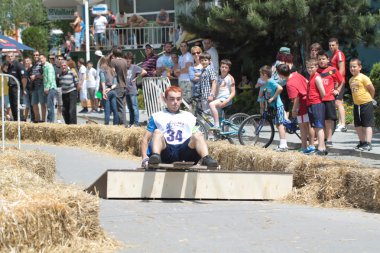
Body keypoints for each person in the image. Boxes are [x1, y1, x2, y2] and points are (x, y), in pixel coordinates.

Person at [140, 86, 218, 168]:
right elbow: (145, 139)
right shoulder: (157, 116)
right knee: (157, 132)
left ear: (181, 100)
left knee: (198, 134)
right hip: (166, 152)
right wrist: (144, 158)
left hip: (185, 152)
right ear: (165, 99)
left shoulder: (189, 116)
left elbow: (197, 138)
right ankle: (155, 158)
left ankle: (206, 158)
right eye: (172, 99)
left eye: (178, 99)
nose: (175, 102)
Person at [276, 64, 314, 154]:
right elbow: (307, 81)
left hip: (302, 104)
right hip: (310, 100)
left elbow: (296, 98)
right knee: (309, 125)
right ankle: (310, 146)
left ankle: (305, 147)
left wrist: (294, 110)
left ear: (280, 75)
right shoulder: (296, 74)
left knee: (303, 126)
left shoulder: (289, 84)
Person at [317, 50, 344, 147]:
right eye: (319, 59)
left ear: (328, 60)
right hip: (318, 100)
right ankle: (322, 139)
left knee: (328, 120)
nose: (321, 61)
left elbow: (341, 81)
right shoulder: (316, 71)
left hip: (329, 99)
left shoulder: (332, 70)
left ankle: (329, 139)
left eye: (323, 59)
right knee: (320, 120)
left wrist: (337, 90)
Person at [349, 58, 376, 151]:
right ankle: (362, 142)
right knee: (357, 125)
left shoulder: (363, 77)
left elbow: (372, 89)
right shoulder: (351, 79)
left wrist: (370, 99)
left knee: (367, 124)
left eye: (354, 66)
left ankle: (368, 143)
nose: (352, 68)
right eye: (351, 67)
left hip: (366, 103)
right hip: (357, 105)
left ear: (360, 67)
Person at [260, 65, 288, 152]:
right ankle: (283, 143)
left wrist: (273, 98)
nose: (260, 76)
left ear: (264, 74)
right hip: (274, 107)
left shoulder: (271, 81)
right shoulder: (267, 83)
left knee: (280, 125)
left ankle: (283, 145)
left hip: (278, 106)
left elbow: (280, 88)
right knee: (278, 125)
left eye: (261, 74)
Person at [305, 59, 327, 155]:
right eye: (308, 68)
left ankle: (321, 148)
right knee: (315, 126)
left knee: (319, 127)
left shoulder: (317, 77)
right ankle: (323, 148)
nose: (310, 69)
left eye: (312, 67)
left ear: (316, 67)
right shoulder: (311, 77)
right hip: (311, 104)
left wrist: (318, 101)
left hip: (317, 104)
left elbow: (323, 93)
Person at [208, 59, 236, 129]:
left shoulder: (230, 78)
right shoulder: (218, 77)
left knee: (211, 104)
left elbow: (233, 92)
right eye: (222, 67)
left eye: (226, 67)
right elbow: (216, 89)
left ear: (229, 69)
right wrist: (213, 97)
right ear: (220, 67)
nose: (224, 69)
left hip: (226, 99)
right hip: (219, 99)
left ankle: (216, 125)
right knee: (218, 116)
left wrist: (226, 101)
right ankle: (220, 132)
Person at [124, 52, 147, 127]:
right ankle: (131, 122)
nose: (128, 60)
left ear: (131, 60)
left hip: (132, 90)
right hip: (126, 90)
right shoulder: (124, 67)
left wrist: (136, 78)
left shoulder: (134, 67)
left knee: (135, 107)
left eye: (129, 59)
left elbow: (144, 72)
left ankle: (136, 123)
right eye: (126, 59)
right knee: (130, 108)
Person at [329, 38, 347, 132]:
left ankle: (343, 125)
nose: (331, 47)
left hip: (340, 81)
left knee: (338, 102)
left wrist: (337, 82)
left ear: (337, 45)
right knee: (340, 102)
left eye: (333, 45)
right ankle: (340, 123)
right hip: (336, 81)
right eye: (330, 45)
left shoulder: (339, 54)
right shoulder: (333, 55)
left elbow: (342, 69)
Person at [4, 52, 27, 121]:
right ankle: (16, 121)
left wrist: (23, 89)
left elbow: (24, 78)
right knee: (12, 106)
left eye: (11, 56)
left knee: (18, 106)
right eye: (8, 56)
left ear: (14, 57)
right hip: (11, 88)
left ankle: (21, 122)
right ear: (7, 58)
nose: (10, 58)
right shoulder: (9, 66)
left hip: (17, 88)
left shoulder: (18, 65)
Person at [110, 47, 129, 126]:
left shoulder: (113, 61)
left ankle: (123, 125)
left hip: (118, 85)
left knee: (120, 108)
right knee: (123, 107)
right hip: (125, 85)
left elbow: (113, 73)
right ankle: (123, 123)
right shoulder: (124, 61)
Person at [99, 56, 119, 125]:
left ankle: (106, 125)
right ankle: (115, 124)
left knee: (107, 110)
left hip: (106, 91)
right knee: (114, 109)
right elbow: (116, 83)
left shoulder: (102, 70)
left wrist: (104, 91)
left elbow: (103, 81)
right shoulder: (112, 70)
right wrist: (110, 88)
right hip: (113, 91)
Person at [58, 60, 78, 124]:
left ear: (67, 66)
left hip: (72, 92)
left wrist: (77, 92)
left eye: (65, 65)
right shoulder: (59, 75)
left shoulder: (72, 73)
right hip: (64, 94)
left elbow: (77, 83)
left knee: (71, 110)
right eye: (62, 66)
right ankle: (68, 124)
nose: (63, 67)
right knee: (64, 111)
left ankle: (73, 126)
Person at [40, 54, 57, 123]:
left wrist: (47, 88)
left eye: (42, 58)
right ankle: (49, 121)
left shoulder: (48, 66)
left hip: (50, 88)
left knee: (50, 106)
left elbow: (50, 78)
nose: (41, 59)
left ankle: (51, 121)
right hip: (49, 88)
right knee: (49, 105)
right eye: (40, 58)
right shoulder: (44, 67)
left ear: (45, 58)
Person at [49, 55, 63, 123]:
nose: (60, 60)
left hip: (60, 88)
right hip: (53, 87)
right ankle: (52, 118)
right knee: (52, 104)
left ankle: (58, 118)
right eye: (59, 59)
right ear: (56, 60)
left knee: (60, 104)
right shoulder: (53, 67)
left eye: (61, 59)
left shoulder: (64, 67)